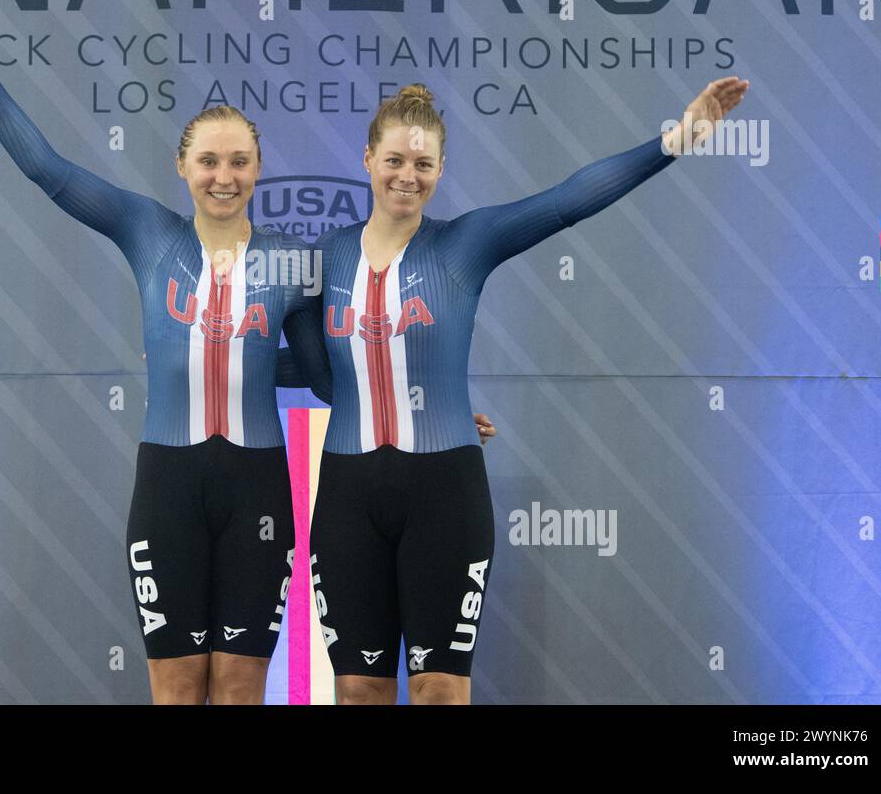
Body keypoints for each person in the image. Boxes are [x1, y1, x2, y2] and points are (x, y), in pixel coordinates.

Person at [0, 0, 495, 704]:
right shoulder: (147, 233)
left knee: (242, 687)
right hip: (168, 487)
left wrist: (423, 401)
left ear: (258, 170)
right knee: (179, 689)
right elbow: (48, 172)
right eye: (209, 161)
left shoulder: (290, 263)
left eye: (240, 162)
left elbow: (323, 373)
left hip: (260, 490)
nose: (224, 176)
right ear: (182, 168)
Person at [303, 78, 748, 704]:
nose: (408, 176)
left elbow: (569, 199)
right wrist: (191, 355)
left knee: (438, 691)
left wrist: (678, 139)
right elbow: (315, 366)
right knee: (357, 692)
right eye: (395, 161)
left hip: (443, 494)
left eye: (423, 164)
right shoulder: (325, 257)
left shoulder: (466, 242)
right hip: (348, 498)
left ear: (441, 168)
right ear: (367, 160)